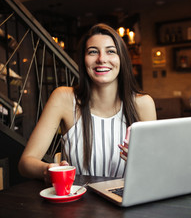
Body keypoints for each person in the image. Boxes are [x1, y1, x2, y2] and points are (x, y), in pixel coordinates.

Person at [18, 23, 157, 183]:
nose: (101, 59)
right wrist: (47, 170)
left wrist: (142, 161)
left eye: (111, 51)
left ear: (122, 59)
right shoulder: (63, 98)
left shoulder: (143, 104)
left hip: (126, 202)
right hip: (79, 202)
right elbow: (25, 163)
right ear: (83, 60)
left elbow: (154, 169)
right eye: (93, 52)